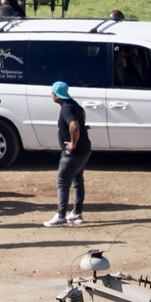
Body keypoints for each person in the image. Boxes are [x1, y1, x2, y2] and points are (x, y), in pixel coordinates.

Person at [43, 82, 91, 227]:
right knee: (77, 180)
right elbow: (82, 113)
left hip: (74, 153)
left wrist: (73, 143)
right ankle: (76, 213)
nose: (51, 95)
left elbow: (74, 126)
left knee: (62, 181)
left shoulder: (66, 109)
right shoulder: (73, 104)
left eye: (52, 93)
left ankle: (61, 215)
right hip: (85, 149)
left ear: (56, 96)